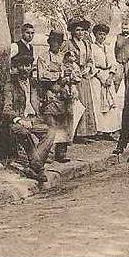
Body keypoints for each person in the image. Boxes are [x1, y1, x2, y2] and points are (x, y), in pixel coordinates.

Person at [3, 54, 57, 182]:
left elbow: (42, 101)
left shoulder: (34, 83)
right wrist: (19, 120)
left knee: (51, 132)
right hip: (18, 121)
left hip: (34, 120)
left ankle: (34, 167)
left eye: (27, 65)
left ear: (31, 67)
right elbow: (6, 109)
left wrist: (48, 98)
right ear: (17, 67)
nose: (25, 69)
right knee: (23, 131)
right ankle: (38, 168)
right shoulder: (10, 85)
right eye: (22, 65)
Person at [37, 31, 84, 162]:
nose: (55, 45)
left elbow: (75, 74)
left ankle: (61, 153)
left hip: (64, 95)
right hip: (50, 94)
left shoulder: (65, 57)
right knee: (50, 125)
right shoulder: (43, 57)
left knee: (64, 125)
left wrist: (71, 77)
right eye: (53, 42)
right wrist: (59, 76)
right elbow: (42, 76)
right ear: (49, 42)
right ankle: (44, 153)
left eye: (58, 42)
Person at [65, 18, 98, 142]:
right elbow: (65, 60)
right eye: (77, 30)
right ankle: (75, 133)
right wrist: (74, 69)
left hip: (84, 76)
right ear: (73, 31)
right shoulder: (68, 44)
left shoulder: (86, 44)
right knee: (76, 104)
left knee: (86, 103)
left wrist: (88, 68)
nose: (80, 33)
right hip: (74, 77)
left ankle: (85, 133)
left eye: (82, 30)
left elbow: (90, 59)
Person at [90, 23, 123, 138]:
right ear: (95, 35)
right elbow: (91, 65)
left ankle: (110, 130)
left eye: (104, 35)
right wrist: (100, 77)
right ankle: (100, 130)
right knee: (98, 103)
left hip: (108, 76)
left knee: (111, 103)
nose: (102, 37)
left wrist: (110, 77)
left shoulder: (108, 47)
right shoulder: (91, 48)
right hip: (97, 78)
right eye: (100, 34)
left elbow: (113, 63)